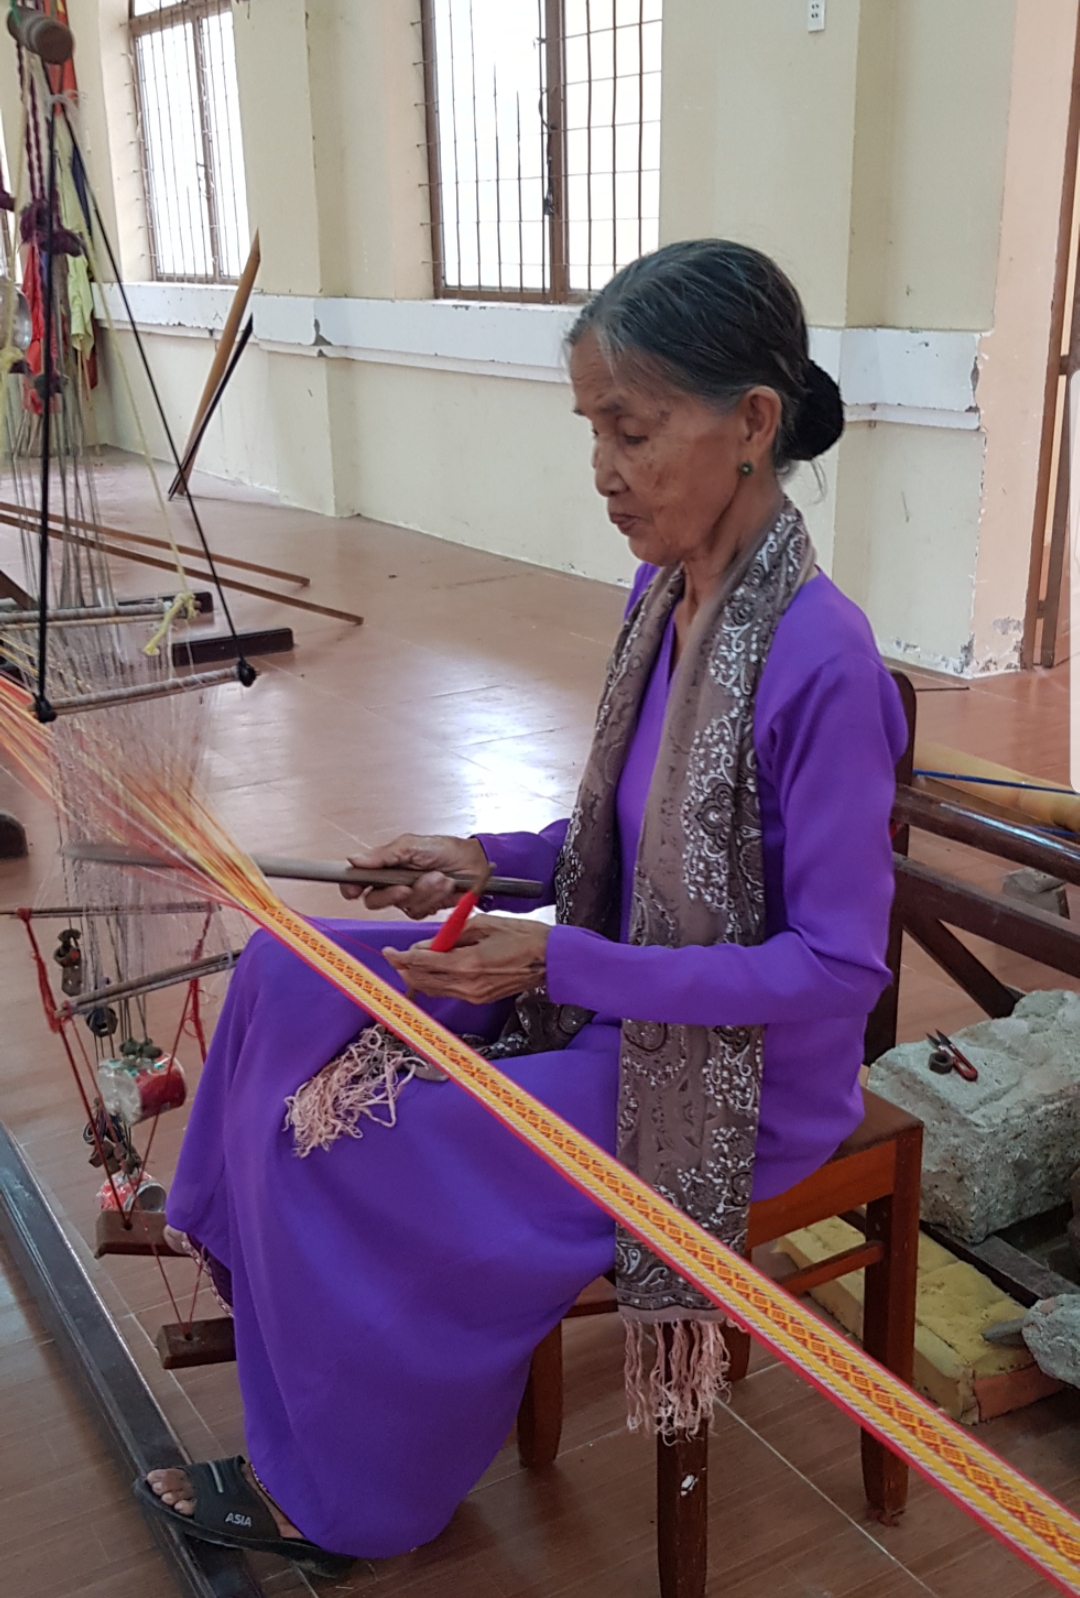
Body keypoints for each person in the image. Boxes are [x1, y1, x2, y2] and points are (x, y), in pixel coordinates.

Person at [139, 239, 907, 1573]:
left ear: (751, 423)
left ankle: (347, 1494)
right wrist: (478, 862)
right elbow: (623, 838)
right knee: (290, 967)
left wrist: (560, 968)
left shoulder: (823, 660)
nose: (602, 467)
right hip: (624, 990)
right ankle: (262, 1267)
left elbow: (837, 967)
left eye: (632, 429)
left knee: (368, 1143)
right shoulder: (666, 592)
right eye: (591, 429)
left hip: (737, 1081)